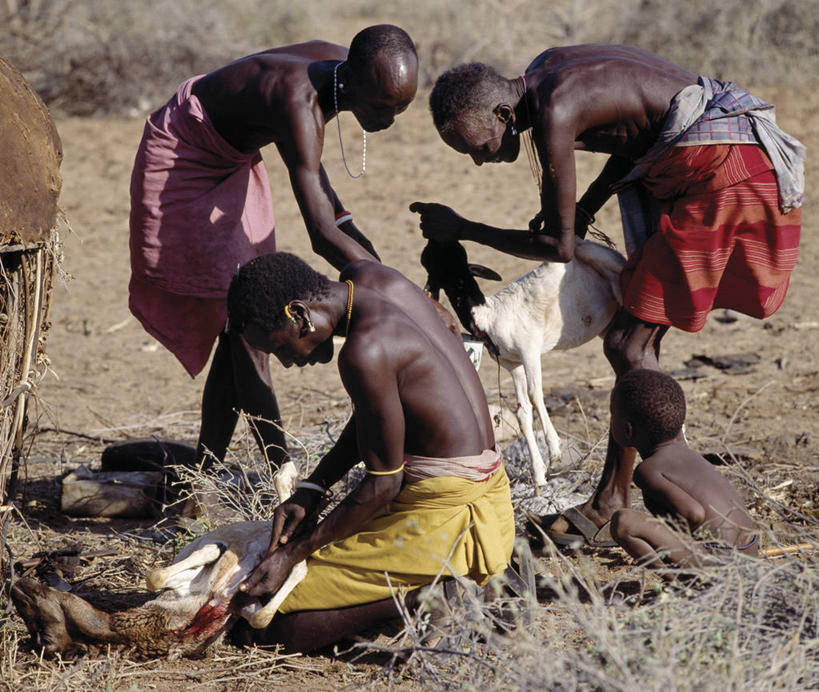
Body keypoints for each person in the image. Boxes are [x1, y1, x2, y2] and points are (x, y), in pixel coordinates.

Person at [410, 45, 804, 546]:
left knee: (628, 345)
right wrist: (585, 204)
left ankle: (659, 497)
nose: (480, 161)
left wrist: (463, 227)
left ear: (505, 114)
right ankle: (615, 496)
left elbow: (559, 246)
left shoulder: (554, 110)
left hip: (725, 176)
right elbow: (630, 138)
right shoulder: (545, 75)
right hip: (717, 165)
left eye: (480, 146)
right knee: (636, 342)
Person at [128, 25, 418, 474]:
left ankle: (201, 481)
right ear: (355, 83)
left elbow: (324, 194)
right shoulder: (298, 99)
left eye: (401, 107)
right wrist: (392, 295)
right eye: (383, 107)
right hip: (184, 156)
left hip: (234, 159)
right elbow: (321, 232)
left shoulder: (354, 69)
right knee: (251, 318)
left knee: (238, 324)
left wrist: (377, 270)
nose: (390, 119)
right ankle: (281, 473)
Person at [226, 252, 515, 652]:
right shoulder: (376, 280)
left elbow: (383, 486)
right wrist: (313, 488)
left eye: (281, 349)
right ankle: (441, 583)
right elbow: (377, 416)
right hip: (492, 498)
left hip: (437, 514)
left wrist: (293, 553)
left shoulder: (364, 352)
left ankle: (428, 596)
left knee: (261, 625)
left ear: (299, 314)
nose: (289, 363)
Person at [608, 369, 758, 568]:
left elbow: (693, 513)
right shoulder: (690, 456)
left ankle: (677, 582)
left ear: (628, 429)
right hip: (750, 555)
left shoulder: (648, 470)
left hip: (720, 563)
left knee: (624, 522)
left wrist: (673, 544)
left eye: (612, 415)